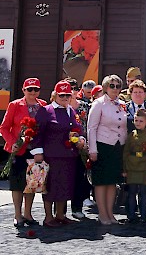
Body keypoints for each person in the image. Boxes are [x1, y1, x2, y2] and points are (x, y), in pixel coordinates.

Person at [30, 81, 84, 227]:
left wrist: (80, 138)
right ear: (55, 95)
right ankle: (48, 217)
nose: (65, 98)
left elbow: (77, 129)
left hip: (69, 155)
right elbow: (37, 133)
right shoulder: (45, 111)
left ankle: (61, 215)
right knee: (50, 187)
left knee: (65, 185)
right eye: (62, 95)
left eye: (67, 95)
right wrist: (38, 152)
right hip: (51, 156)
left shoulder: (70, 111)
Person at [1, 78, 47, 227]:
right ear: (24, 90)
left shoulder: (43, 105)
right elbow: (4, 127)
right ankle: (17, 214)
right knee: (17, 183)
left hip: (35, 151)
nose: (33, 92)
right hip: (18, 150)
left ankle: (28, 213)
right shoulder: (15, 105)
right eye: (30, 89)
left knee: (32, 184)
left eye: (36, 89)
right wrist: (13, 142)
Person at [87, 74, 128, 225]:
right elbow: (91, 127)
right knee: (101, 182)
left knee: (112, 182)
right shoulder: (99, 104)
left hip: (118, 147)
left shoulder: (122, 104)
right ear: (105, 88)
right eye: (112, 86)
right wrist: (93, 150)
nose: (115, 89)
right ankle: (102, 214)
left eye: (118, 86)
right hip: (102, 146)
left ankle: (110, 213)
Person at [122, 109, 146, 223]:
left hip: (145, 168)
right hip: (132, 167)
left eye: (141, 121)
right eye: (136, 120)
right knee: (131, 192)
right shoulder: (131, 135)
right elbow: (126, 152)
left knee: (144, 193)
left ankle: (144, 214)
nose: (138, 123)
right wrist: (124, 168)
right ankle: (131, 214)